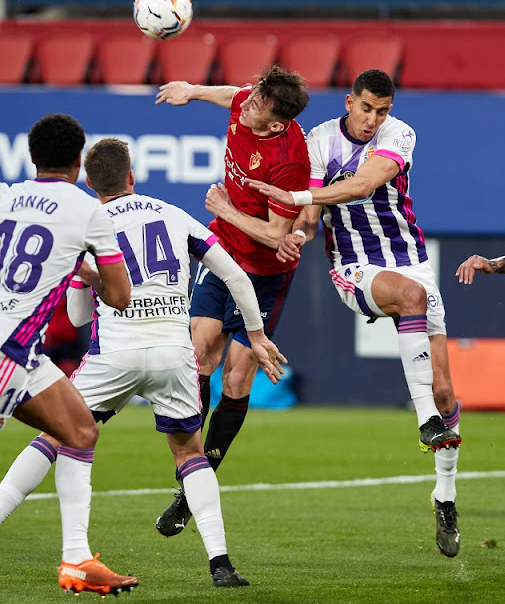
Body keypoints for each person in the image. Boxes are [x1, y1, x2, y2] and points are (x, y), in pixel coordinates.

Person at [0, 137, 287, 587]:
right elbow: (231, 272)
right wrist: (255, 332)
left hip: (113, 354)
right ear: (132, 176)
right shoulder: (172, 214)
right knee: (189, 453)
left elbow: (77, 318)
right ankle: (221, 565)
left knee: (57, 435)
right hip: (174, 354)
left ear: (90, 182)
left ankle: (47, 536)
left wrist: (89, 283)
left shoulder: (89, 219)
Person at [247, 69, 462, 558]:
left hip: (409, 260)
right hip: (354, 265)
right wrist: (300, 230)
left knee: (447, 390)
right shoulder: (320, 140)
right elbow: (313, 211)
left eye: (381, 110)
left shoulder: (400, 134)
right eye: (366, 108)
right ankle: (423, 415)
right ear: (349, 101)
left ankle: (445, 496)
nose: (372, 119)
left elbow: (366, 183)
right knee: (410, 298)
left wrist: (298, 197)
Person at [153, 65, 310, 536]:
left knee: (237, 377)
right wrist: (191, 90)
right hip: (223, 257)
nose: (247, 103)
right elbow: (231, 93)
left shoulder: (289, 160)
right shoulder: (249, 101)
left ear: (277, 123)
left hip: (265, 273)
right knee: (198, 352)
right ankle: (189, 459)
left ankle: (192, 491)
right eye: (255, 93)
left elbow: (275, 234)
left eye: (258, 102)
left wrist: (224, 209)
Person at [0, 114, 137, 596]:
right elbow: (119, 297)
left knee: (80, 429)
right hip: (5, 352)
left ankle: (76, 558)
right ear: (79, 161)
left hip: (23, 355)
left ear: (31, 157)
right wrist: (89, 270)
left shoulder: (5, 195)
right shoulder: (89, 212)